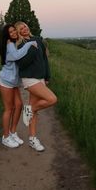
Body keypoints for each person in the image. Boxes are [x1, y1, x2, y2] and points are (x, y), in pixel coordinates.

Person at [14, 21, 57, 152]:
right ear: (18, 32)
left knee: (35, 111)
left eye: (26, 26)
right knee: (52, 99)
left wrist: (47, 76)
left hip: (40, 78)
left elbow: (44, 60)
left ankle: (32, 139)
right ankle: (29, 110)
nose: (25, 29)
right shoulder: (20, 45)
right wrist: (31, 48)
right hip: (29, 78)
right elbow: (22, 64)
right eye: (21, 28)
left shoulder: (38, 39)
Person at [0, 24, 37, 148]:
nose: (13, 33)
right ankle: (5, 136)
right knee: (9, 109)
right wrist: (30, 44)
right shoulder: (9, 43)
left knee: (18, 106)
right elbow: (17, 55)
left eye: (14, 30)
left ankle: (13, 132)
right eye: (10, 32)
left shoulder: (13, 43)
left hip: (13, 82)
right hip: (5, 81)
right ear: (7, 35)